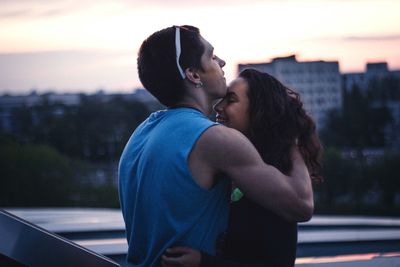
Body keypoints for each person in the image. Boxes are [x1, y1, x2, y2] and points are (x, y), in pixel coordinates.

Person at [118, 25, 313, 267]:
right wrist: (291, 133)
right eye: (211, 56)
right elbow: (301, 206)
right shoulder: (214, 139)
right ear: (194, 75)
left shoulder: (141, 133)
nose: (221, 61)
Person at [162, 69, 322, 267]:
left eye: (231, 100)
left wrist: (203, 263)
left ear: (259, 111)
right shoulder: (233, 168)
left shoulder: (272, 183)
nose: (218, 107)